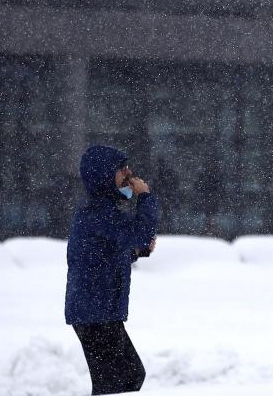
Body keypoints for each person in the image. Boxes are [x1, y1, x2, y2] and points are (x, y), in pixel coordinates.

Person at [65, 145, 159, 395]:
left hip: (100, 312)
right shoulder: (97, 212)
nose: (129, 173)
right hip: (94, 314)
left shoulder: (102, 211)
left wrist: (136, 251)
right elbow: (141, 233)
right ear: (104, 175)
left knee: (129, 377)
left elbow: (105, 255)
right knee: (116, 384)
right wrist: (145, 196)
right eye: (122, 169)